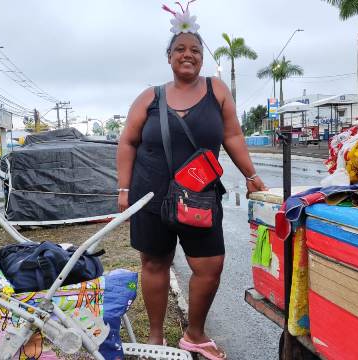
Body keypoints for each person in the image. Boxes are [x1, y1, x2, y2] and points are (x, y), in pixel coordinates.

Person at [116, 4, 266, 359]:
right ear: (169, 57)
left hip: (199, 195)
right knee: (154, 263)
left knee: (210, 266)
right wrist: (124, 189)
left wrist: (252, 175)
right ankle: (155, 338)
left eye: (195, 50)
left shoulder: (217, 91)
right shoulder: (150, 97)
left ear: (202, 57)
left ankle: (194, 334)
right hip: (150, 194)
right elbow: (127, 142)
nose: (188, 55)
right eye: (180, 49)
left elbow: (232, 137)